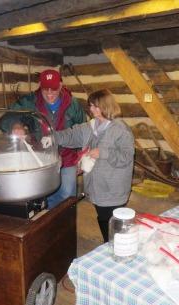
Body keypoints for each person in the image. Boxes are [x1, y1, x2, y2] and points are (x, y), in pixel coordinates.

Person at [43, 89, 134, 242]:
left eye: (94, 106)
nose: (90, 110)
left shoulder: (120, 129)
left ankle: (117, 247)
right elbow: (71, 134)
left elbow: (126, 156)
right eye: (90, 106)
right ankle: (110, 246)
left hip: (113, 188)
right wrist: (53, 137)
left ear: (105, 106)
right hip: (97, 187)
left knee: (114, 223)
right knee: (104, 218)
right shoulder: (91, 126)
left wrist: (103, 153)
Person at [1, 69, 86, 209]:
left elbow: (82, 129)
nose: (50, 93)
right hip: (42, 158)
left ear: (60, 85)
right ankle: (52, 226)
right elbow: (9, 116)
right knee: (49, 194)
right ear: (40, 85)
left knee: (67, 195)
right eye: (45, 89)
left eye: (53, 89)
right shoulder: (30, 102)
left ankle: (66, 227)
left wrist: (80, 157)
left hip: (68, 156)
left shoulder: (73, 104)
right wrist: (15, 124)